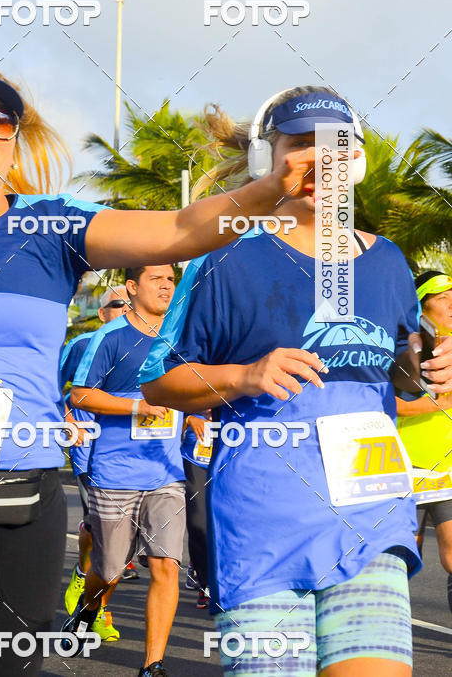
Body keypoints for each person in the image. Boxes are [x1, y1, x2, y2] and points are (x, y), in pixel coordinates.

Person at [0, 59, 313, 677]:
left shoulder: (50, 227)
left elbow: (180, 229)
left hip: (18, 511)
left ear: (11, 142)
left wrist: (271, 187)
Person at [140, 86, 452, 677]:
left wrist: (431, 365)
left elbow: (405, 375)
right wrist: (245, 375)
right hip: (264, 520)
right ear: (269, 160)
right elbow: (159, 381)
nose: (317, 160)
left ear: (354, 162)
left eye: (333, 146)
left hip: (371, 514)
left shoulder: (386, 260)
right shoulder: (226, 260)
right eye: (299, 144)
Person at [66, 265, 180, 677]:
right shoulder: (108, 339)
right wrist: (137, 405)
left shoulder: (181, 334)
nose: (166, 285)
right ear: (132, 287)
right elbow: (80, 394)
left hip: (167, 471)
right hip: (114, 471)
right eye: (156, 279)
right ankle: (87, 605)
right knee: (111, 568)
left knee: (165, 564)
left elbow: (194, 385)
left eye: (171, 279)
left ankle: (153, 665)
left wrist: (199, 411)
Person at [63, 283, 130, 641]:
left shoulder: (156, 341)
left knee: (119, 537)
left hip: (142, 457)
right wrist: (66, 419)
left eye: (128, 303)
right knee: (106, 533)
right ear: (102, 313)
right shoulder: (79, 345)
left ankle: (82, 577)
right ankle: (98, 609)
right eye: (118, 304)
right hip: (92, 449)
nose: (125, 308)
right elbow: (54, 386)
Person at [397, 270, 452, 613]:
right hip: (405, 467)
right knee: (402, 561)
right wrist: (434, 404)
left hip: (447, 466)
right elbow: (385, 402)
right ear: (422, 305)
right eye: (443, 298)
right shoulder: (405, 347)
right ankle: (386, 634)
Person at [180, 409, 212, 608]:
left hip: (233, 453)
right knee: (198, 523)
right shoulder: (189, 376)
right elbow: (167, 408)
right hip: (195, 457)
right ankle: (206, 584)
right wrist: (190, 418)